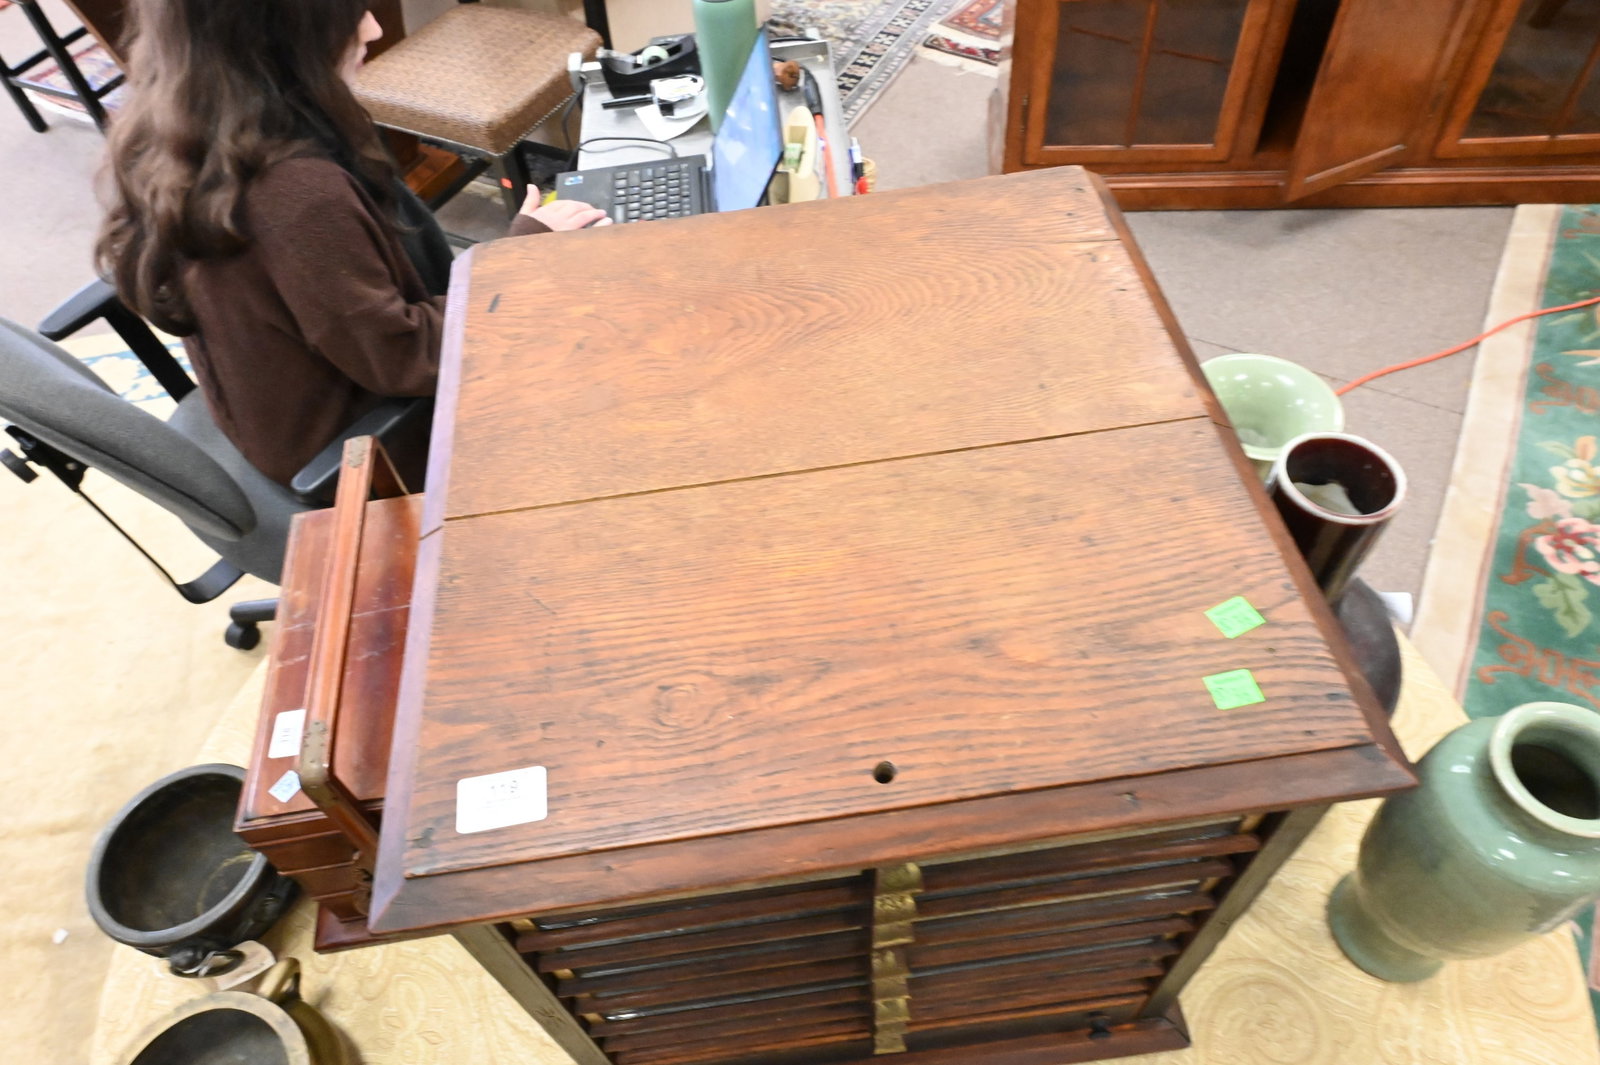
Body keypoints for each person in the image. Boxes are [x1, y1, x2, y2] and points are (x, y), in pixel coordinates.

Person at [97, 0, 608, 486]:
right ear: (279, 36)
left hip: (283, 412)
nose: (372, 29)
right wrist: (519, 264)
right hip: (364, 452)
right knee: (615, 354)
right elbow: (405, 357)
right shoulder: (294, 196)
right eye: (348, 14)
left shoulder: (172, 121)